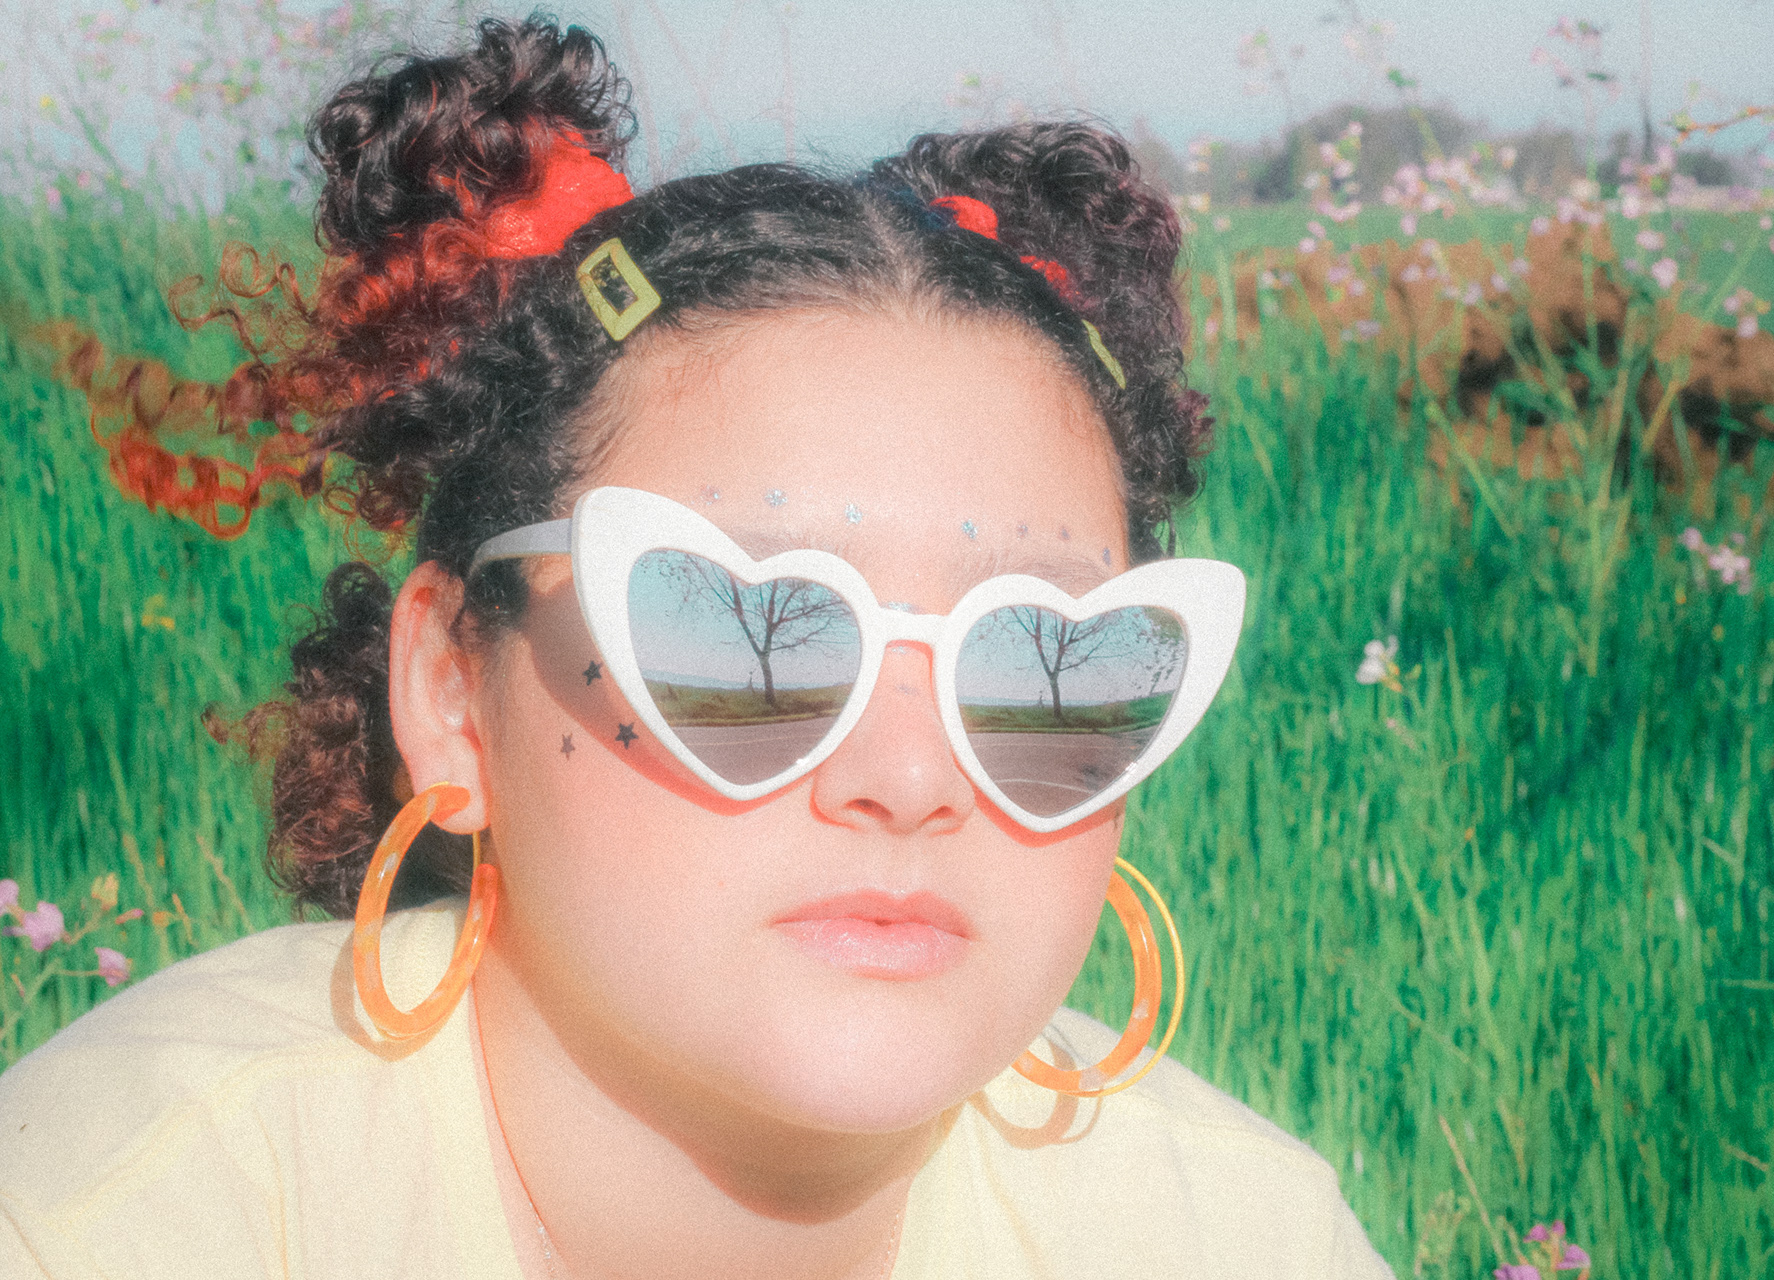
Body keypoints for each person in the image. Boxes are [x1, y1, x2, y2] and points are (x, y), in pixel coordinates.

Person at [0, 17, 1390, 1279]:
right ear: (451, 695)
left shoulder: (1246, 1238)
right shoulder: (113, 1220)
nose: (911, 782)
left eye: (1044, 660)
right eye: (739, 628)